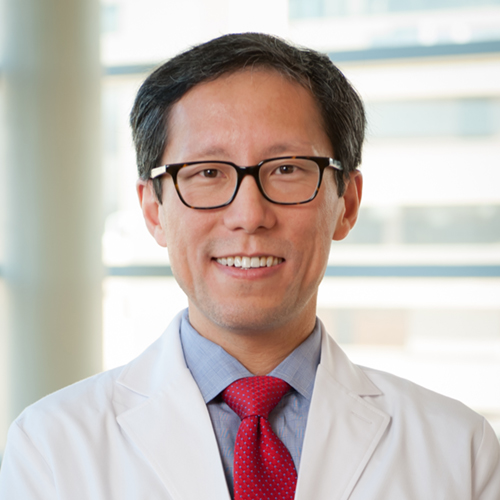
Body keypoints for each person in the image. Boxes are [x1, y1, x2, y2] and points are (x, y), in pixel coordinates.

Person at [0, 32, 499, 500]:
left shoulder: (460, 450)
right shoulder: (49, 448)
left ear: (346, 202)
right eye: (208, 173)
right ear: (154, 212)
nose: (249, 216)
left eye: (285, 169)